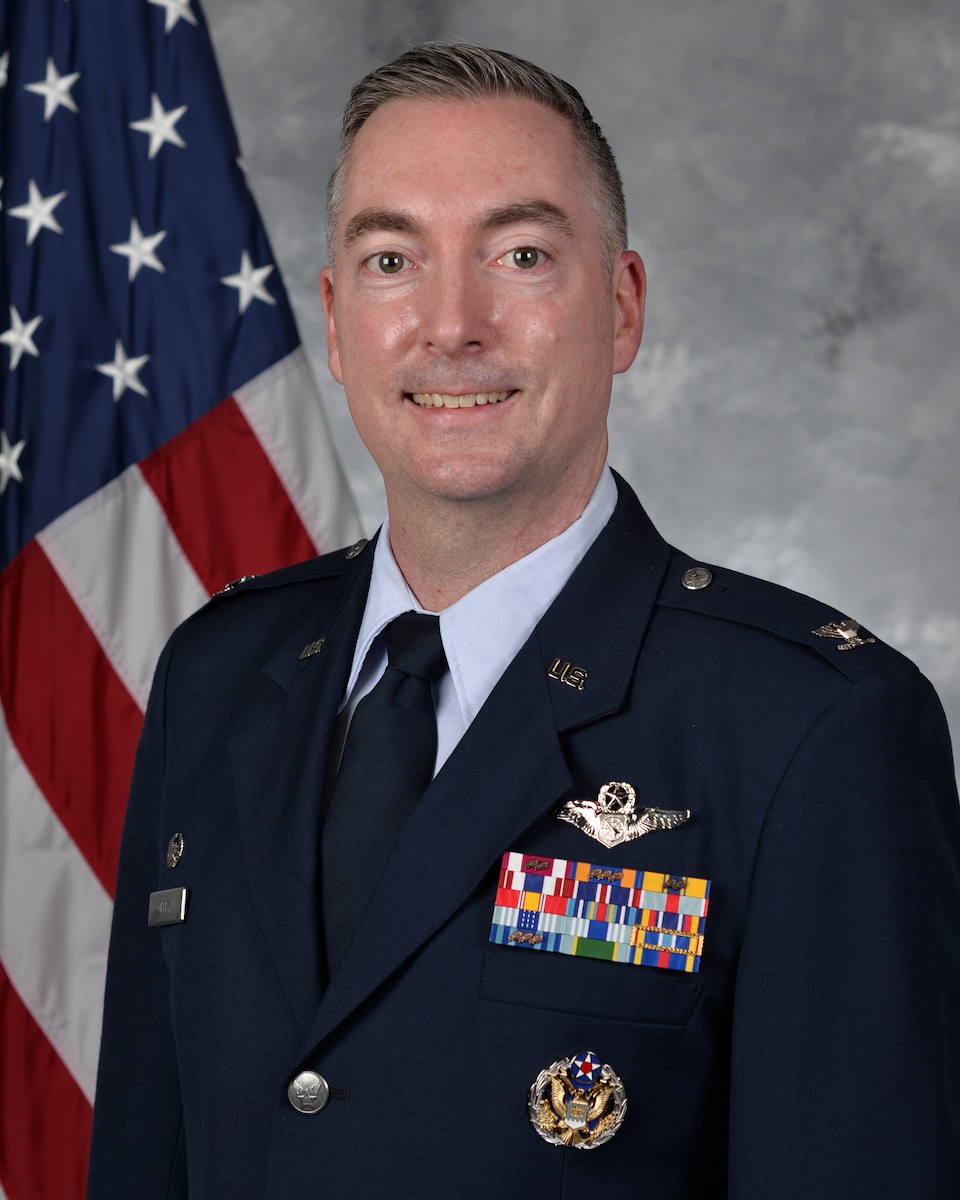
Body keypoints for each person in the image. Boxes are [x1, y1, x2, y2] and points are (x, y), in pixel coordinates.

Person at [87, 43, 960, 1198]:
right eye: (394, 258)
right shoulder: (217, 671)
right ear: (340, 323)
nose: (453, 324)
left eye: (522, 253)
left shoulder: (812, 728)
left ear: (621, 307)